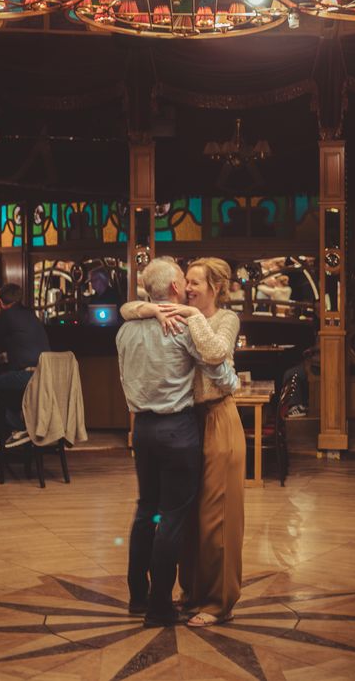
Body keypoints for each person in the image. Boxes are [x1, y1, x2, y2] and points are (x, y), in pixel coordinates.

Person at [122, 257, 245, 627]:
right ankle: (189, 592)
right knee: (188, 518)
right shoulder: (172, 315)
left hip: (217, 419)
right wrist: (148, 307)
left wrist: (188, 316)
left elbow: (217, 357)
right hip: (188, 423)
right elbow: (127, 308)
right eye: (185, 281)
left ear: (215, 288)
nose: (188, 287)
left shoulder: (222, 319)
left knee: (216, 518)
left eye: (195, 282)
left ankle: (217, 601)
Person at [0, 283, 50, 442]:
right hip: (44, 374)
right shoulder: (30, 315)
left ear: (1, 303)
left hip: (27, 375)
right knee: (5, 387)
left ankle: (21, 427)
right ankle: (3, 432)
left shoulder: (7, 316)